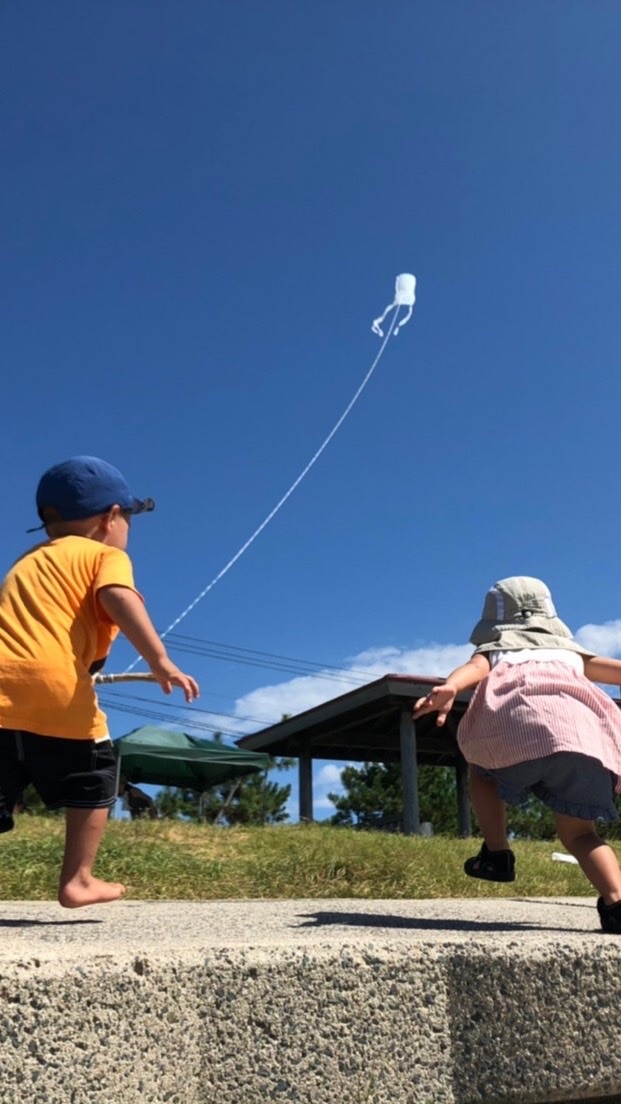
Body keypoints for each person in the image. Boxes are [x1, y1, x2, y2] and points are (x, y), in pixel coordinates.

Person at [0, 456, 199, 908]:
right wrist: (161, 659)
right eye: (129, 518)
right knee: (94, 769)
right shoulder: (105, 555)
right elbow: (116, 597)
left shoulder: (27, 562)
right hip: (54, 689)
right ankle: (78, 879)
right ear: (112, 517)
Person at [413, 576, 621, 934]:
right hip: (584, 742)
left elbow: (474, 670)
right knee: (581, 835)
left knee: (481, 770)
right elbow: (613, 671)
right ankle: (617, 903)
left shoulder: (497, 649)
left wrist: (450, 685)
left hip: (519, 734)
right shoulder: (569, 653)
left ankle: (496, 853)